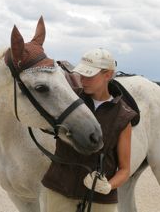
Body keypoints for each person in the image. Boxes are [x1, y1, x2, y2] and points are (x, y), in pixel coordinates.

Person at [42, 48, 137, 212]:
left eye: (89, 75)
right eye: (81, 75)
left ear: (107, 75)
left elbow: (124, 169)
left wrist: (108, 186)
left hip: (100, 200)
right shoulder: (69, 101)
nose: (83, 80)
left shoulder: (123, 116)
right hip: (59, 191)